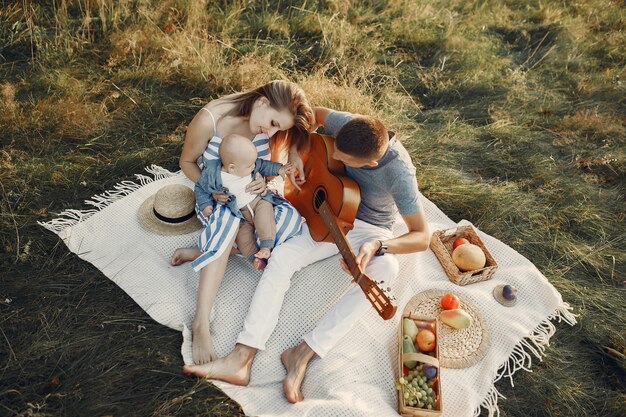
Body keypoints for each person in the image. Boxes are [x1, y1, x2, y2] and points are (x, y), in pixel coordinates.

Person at [182, 107, 431, 403]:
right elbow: (310, 116)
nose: (335, 158)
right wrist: (299, 156)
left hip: (369, 227)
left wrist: (378, 246)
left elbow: (422, 236)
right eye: (335, 151)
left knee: (387, 269)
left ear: (373, 162)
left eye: (343, 159)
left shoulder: (400, 172)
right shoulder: (350, 124)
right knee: (282, 259)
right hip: (325, 213)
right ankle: (241, 357)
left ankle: (303, 353)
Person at [170, 80, 314, 365]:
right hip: (217, 199)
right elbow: (186, 163)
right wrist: (214, 191)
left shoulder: (264, 124)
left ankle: (204, 252)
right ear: (262, 102)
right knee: (228, 225)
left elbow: (305, 128)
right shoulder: (211, 120)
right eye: (272, 123)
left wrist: (270, 176)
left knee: (288, 224)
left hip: (251, 198)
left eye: (278, 130)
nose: (271, 132)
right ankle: (201, 322)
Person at [194, 133, 295, 270]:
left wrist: (279, 169)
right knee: (242, 237)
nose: (254, 167)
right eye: (250, 166)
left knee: (265, 217)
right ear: (232, 168)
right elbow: (200, 187)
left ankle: (266, 245)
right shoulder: (212, 174)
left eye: (254, 163)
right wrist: (205, 204)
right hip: (240, 214)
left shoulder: (249, 163)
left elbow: (263, 165)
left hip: (258, 201)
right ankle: (255, 258)